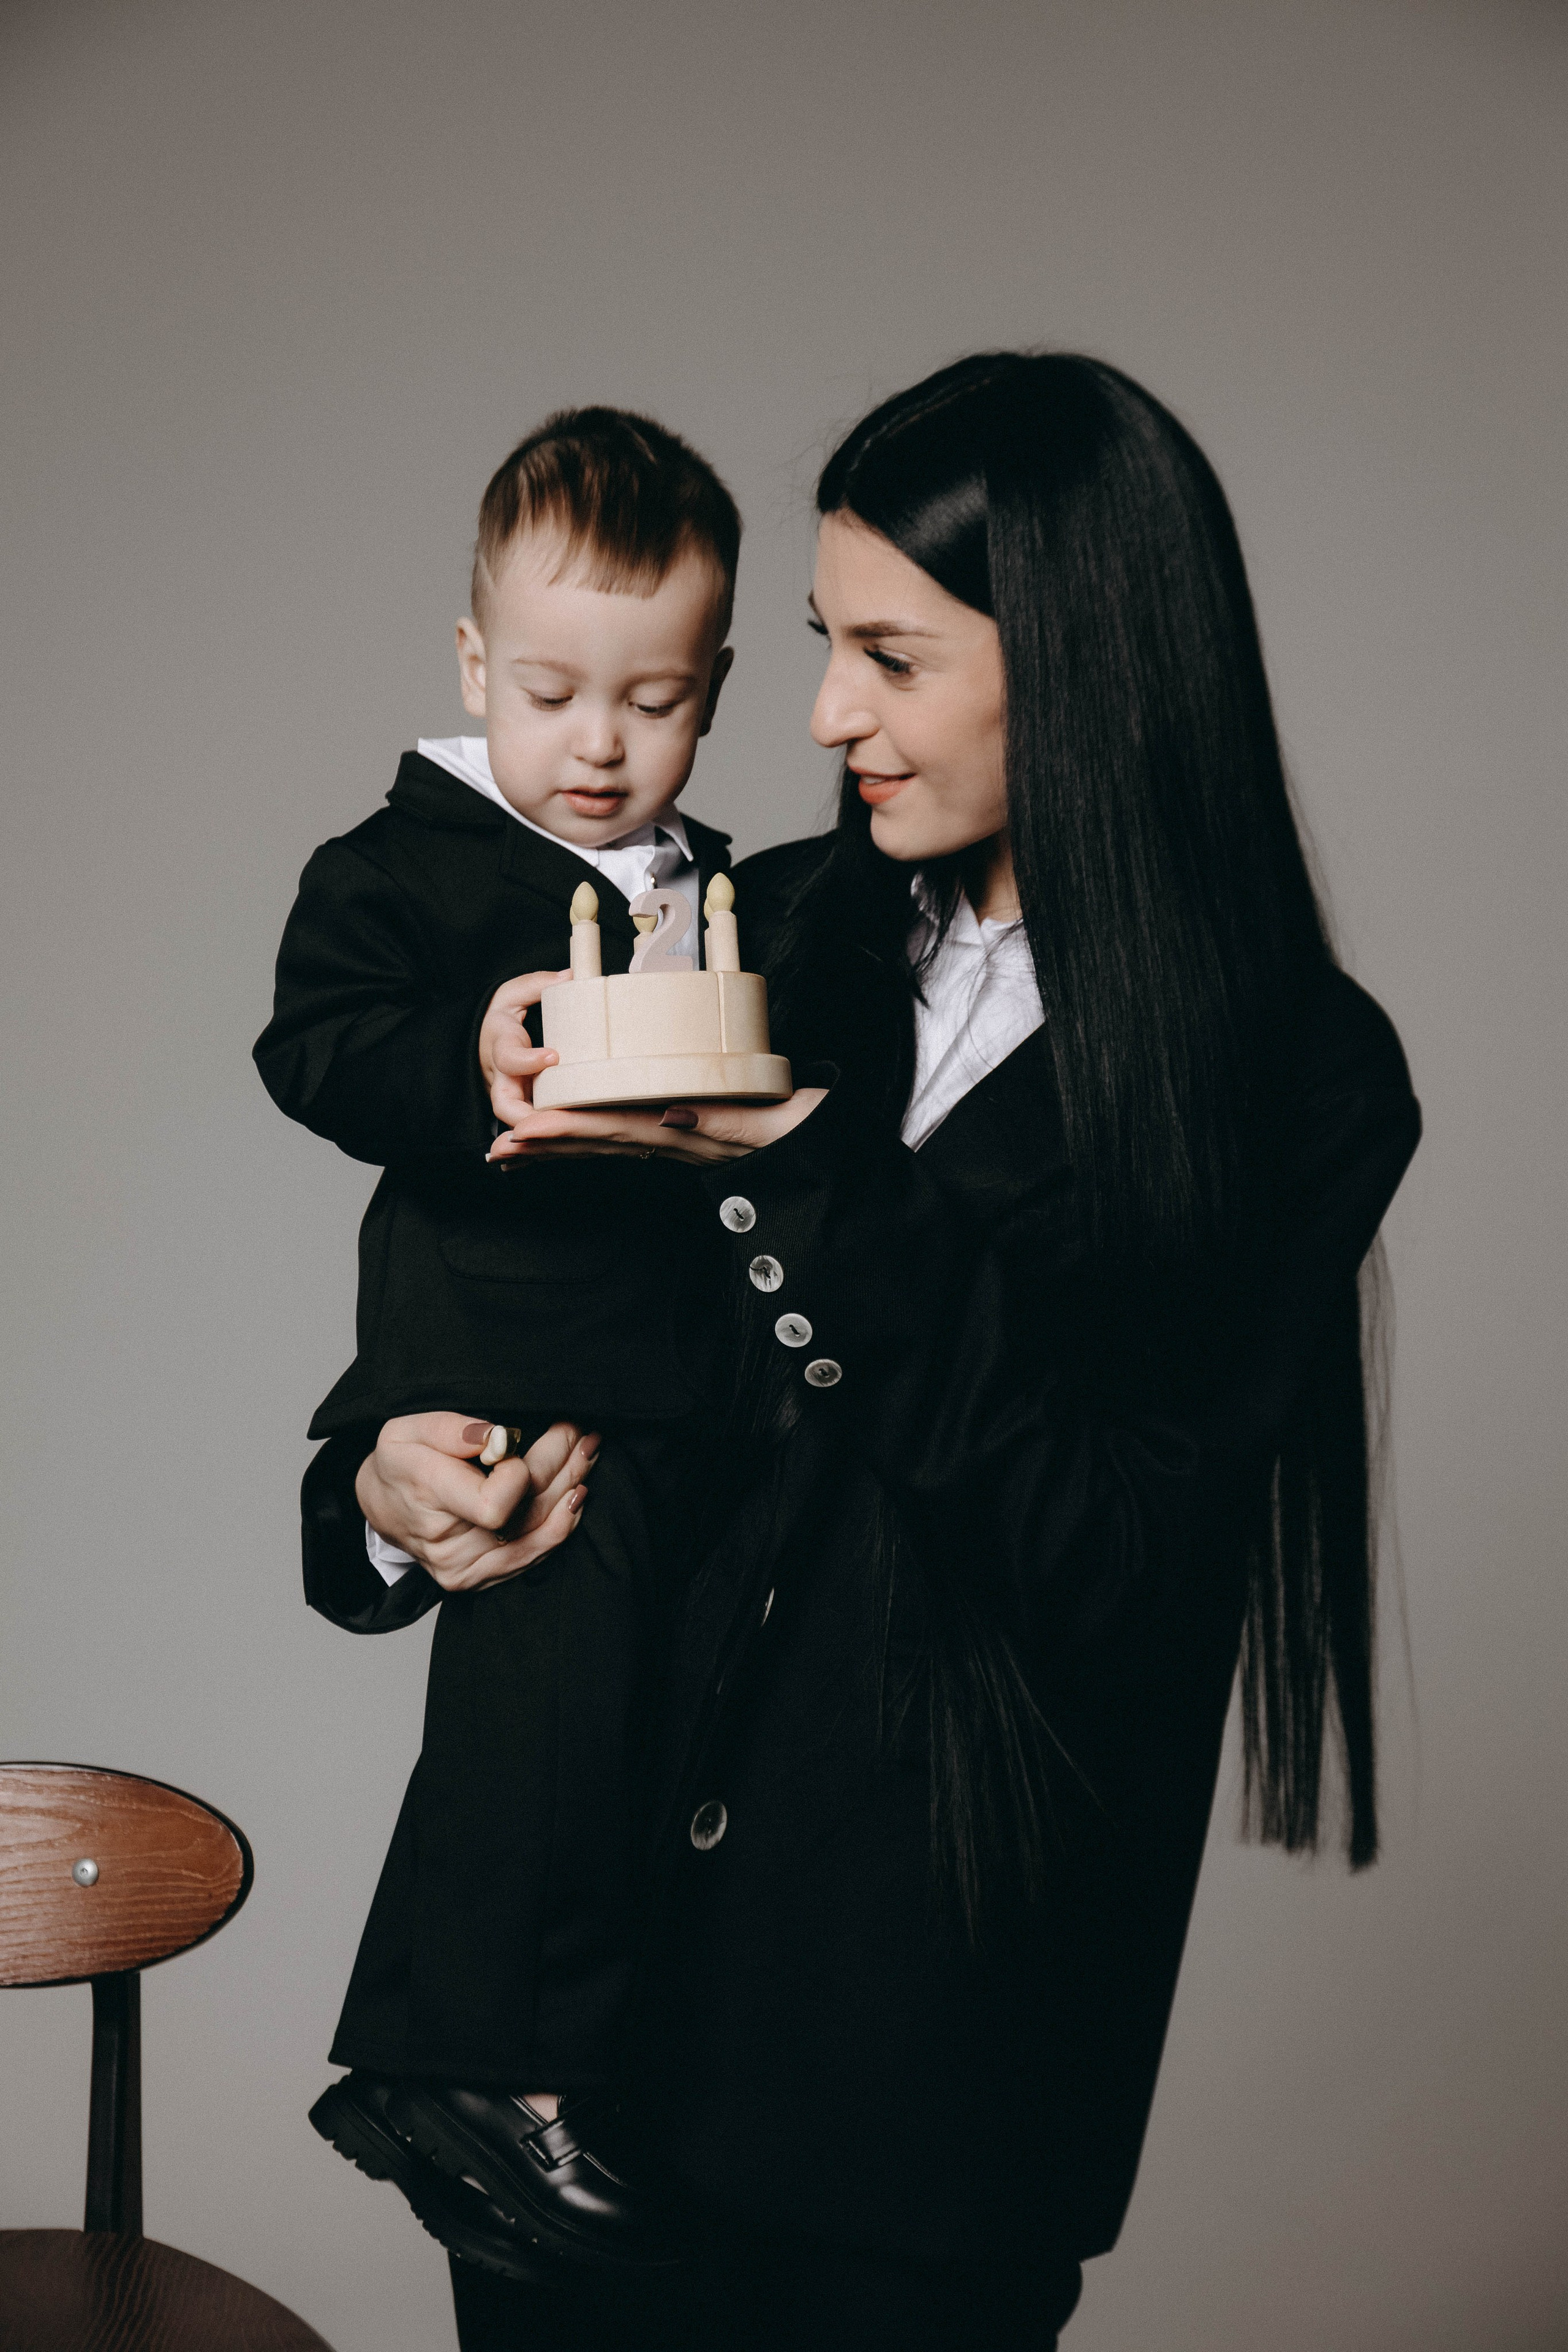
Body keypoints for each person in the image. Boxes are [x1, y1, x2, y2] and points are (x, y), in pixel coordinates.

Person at [300, 352, 1422, 2351]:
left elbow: (1115, 1564)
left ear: (1078, 662)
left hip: (927, 2106)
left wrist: (819, 1173)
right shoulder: (750, 928)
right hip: (581, 2069)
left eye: (890, 658)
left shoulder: (1298, 1080)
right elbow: (513, 1272)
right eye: (822, 646)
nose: (820, 718)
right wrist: (385, 1484)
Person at [253, 407, 746, 2274]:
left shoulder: (738, 888)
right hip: (508, 1369)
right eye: (551, 692)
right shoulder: (398, 868)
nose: (601, 745)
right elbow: (314, 1047)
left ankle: (483, 2071)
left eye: (655, 700)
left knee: (596, 1735)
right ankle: (465, 2070)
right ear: (475, 666)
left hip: (677, 1387)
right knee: (544, 1723)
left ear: (711, 686)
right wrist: (470, 1054)